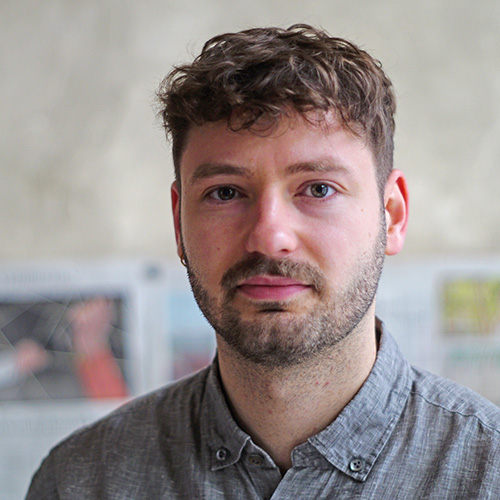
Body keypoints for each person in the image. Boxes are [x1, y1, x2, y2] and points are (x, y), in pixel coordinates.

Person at [26, 24, 500, 499]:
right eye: (225, 193)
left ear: (392, 215)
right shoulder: (80, 481)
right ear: (178, 222)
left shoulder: (489, 472)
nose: (269, 238)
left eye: (318, 189)